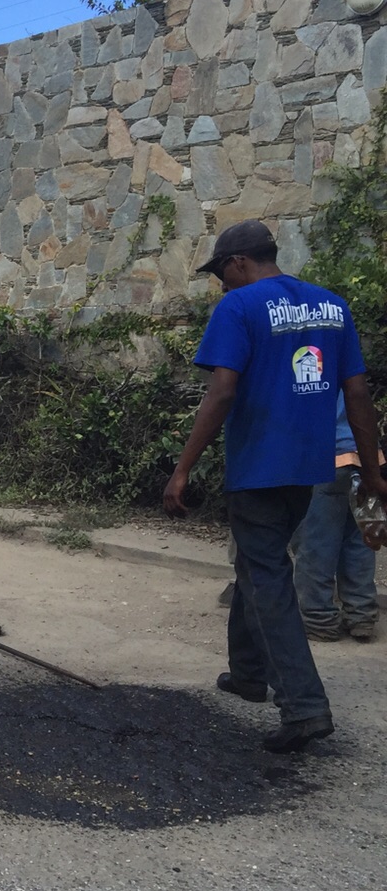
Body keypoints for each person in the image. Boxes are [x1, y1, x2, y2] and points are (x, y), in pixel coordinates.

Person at [163, 219, 386, 753]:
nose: (220, 283)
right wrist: (375, 471)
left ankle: (305, 707)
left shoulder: (239, 308)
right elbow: (356, 395)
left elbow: (221, 393)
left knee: (267, 579)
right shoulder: (332, 306)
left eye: (221, 271)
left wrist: (182, 468)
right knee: (257, 566)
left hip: (259, 467)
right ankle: (246, 674)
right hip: (311, 468)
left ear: (240, 262)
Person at [291, 394, 379, 643]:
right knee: (358, 540)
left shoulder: (305, 365)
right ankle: (361, 615)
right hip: (363, 457)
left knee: (316, 542)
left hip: (323, 457)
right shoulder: (345, 364)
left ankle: (319, 619)